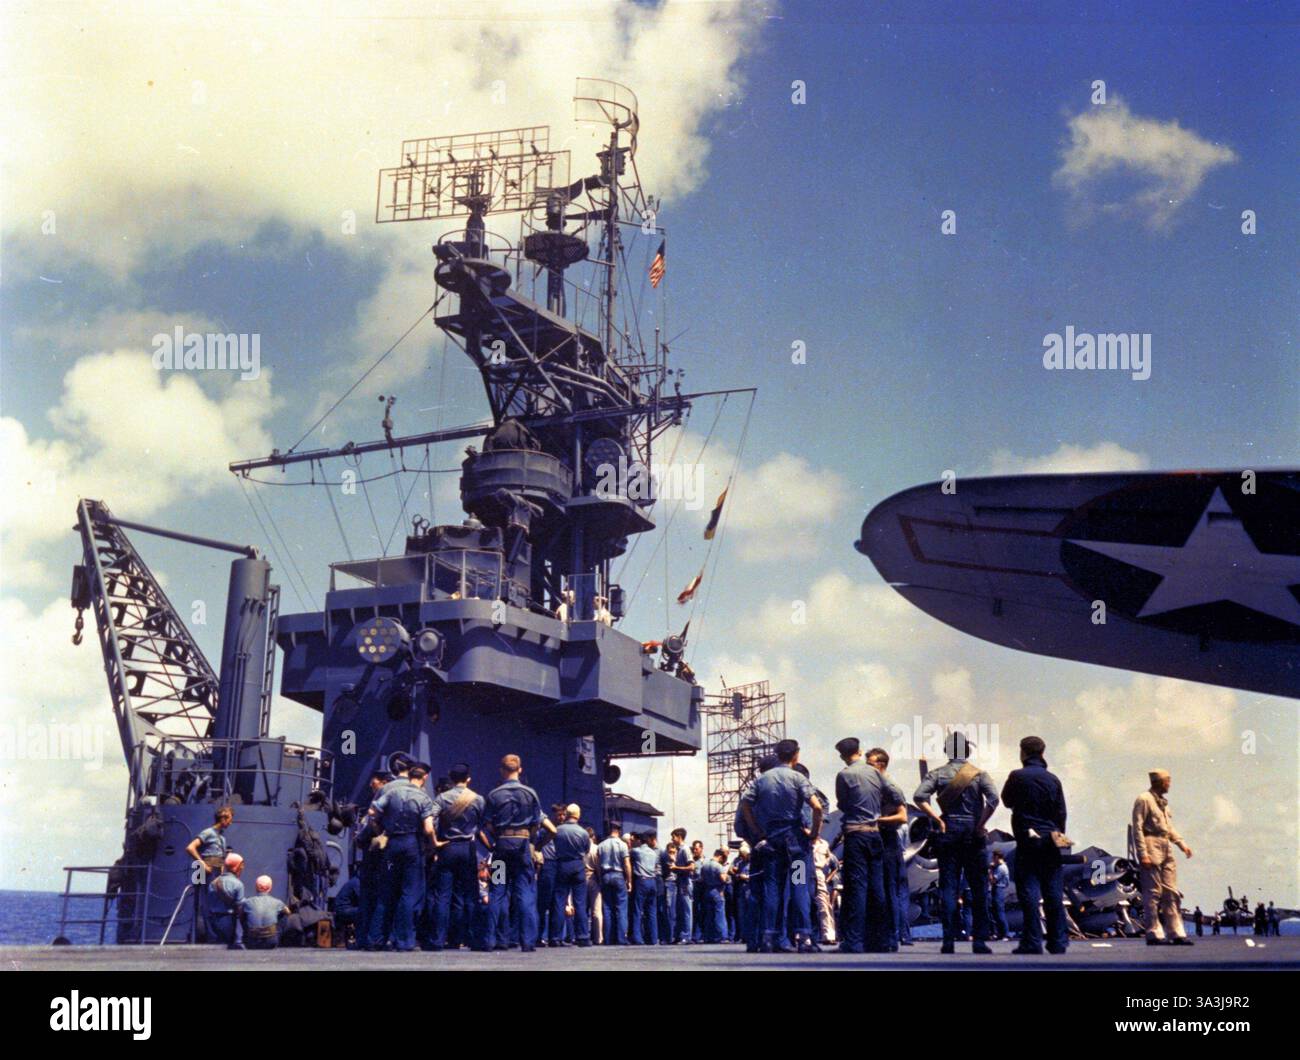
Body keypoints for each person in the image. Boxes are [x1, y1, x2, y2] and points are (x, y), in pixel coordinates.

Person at [914, 731, 999, 955]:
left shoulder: (938, 774)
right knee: (979, 888)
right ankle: (979, 941)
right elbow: (993, 799)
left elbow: (919, 796)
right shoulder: (980, 775)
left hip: (948, 831)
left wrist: (936, 818)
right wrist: (981, 824)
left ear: (946, 751)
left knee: (948, 887)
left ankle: (948, 941)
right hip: (973, 833)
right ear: (968, 751)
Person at [742, 738, 823, 954]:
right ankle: (804, 937)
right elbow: (816, 807)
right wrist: (814, 833)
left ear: (777, 755)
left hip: (772, 841)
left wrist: (758, 831)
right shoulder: (798, 778)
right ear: (796, 755)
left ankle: (769, 937)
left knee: (773, 888)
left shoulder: (762, 780)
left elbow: (746, 804)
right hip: (795, 842)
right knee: (799, 886)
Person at [1000, 736, 1069, 955]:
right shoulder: (1053, 779)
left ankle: (1032, 941)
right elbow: (1061, 813)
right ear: (1042, 752)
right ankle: (1058, 941)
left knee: (1029, 891)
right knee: (1053, 892)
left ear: (1023, 752)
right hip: (1050, 840)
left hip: (1027, 840)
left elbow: (1007, 801)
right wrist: (1058, 835)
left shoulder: (1017, 776)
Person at [480, 754, 551, 953]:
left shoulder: (494, 795)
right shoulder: (531, 794)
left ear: (502, 771)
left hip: (502, 848)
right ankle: (528, 942)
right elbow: (537, 823)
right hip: (522, 848)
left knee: (497, 892)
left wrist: (498, 839)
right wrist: (531, 840)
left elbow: (487, 824)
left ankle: (490, 940)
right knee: (525, 893)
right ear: (520, 770)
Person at [367, 761, 437, 952]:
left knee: (386, 892)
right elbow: (428, 828)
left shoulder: (392, 792)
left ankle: (375, 940)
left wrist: (379, 829)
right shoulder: (424, 798)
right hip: (412, 846)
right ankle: (404, 941)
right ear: (424, 778)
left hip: (392, 846)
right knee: (408, 893)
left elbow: (372, 812)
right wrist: (434, 844)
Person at [834, 737, 887, 954]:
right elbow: (888, 792)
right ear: (860, 750)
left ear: (842, 756)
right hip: (874, 833)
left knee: (857, 887)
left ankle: (854, 941)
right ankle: (882, 940)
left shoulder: (844, 775)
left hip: (855, 834)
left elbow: (843, 803)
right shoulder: (875, 772)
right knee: (877, 887)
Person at [1132, 769, 1193, 946]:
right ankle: (1154, 933)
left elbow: (1168, 827)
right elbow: (1137, 828)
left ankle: (1176, 932)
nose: (1169, 784)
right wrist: (1143, 853)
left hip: (1165, 845)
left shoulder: (1163, 803)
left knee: (1171, 892)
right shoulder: (1144, 799)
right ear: (1158, 782)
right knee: (1152, 893)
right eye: (1168, 781)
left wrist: (1182, 844)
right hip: (1151, 844)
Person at [428, 762, 485, 951]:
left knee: (443, 896)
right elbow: (484, 824)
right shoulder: (477, 799)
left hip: (447, 847)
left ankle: (438, 940)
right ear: (468, 779)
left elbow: (431, 822)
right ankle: (470, 939)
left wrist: (435, 842)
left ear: (451, 779)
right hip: (468, 848)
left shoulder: (441, 798)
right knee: (469, 896)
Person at [865, 747, 909, 951]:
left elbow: (902, 816)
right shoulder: (873, 785)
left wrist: (878, 820)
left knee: (889, 890)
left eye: (870, 764)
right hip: (877, 839)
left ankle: (891, 937)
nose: (866, 767)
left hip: (888, 842)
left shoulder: (889, 786)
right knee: (879, 888)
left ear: (880, 765)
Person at [551, 804, 592, 947]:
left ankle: (555, 937)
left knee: (559, 901)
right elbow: (586, 850)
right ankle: (583, 936)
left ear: (567, 814)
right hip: (577, 865)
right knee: (580, 902)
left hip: (562, 864)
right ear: (578, 815)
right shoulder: (583, 832)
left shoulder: (558, 830)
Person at [535, 803, 566, 947]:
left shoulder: (562, 831)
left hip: (558, 865)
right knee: (544, 902)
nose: (561, 817)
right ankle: (541, 936)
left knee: (558, 903)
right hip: (549, 865)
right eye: (559, 814)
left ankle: (554, 937)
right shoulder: (547, 830)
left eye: (563, 814)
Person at [597, 824, 632, 945]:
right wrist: (629, 881)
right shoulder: (622, 845)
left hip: (606, 875)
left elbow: (598, 864)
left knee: (607, 908)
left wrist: (600, 878)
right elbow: (627, 864)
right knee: (621, 908)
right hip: (618, 875)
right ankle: (621, 938)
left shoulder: (601, 845)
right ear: (618, 830)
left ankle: (608, 938)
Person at [205, 852, 245, 949]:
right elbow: (240, 909)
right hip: (229, 921)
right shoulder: (237, 884)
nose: (242, 868)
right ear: (236, 867)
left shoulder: (213, 883)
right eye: (241, 866)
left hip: (213, 922)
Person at [240, 875, 289, 950]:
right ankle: (278, 936)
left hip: (252, 941)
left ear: (256, 887)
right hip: (271, 941)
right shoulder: (277, 902)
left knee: (243, 914)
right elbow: (288, 912)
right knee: (283, 915)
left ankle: (247, 935)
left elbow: (240, 913)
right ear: (270, 888)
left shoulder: (247, 902)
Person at [630, 832, 660, 945]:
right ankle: (653, 938)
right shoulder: (653, 853)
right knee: (652, 911)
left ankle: (637, 938)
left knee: (637, 910)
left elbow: (628, 853)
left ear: (639, 841)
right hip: (652, 881)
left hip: (641, 881)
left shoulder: (636, 851)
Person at [669, 828, 694, 943]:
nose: (672, 839)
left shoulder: (685, 850)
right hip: (680, 882)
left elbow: (691, 867)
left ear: (679, 837)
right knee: (680, 910)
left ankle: (686, 936)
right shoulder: (679, 851)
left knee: (686, 910)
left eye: (673, 837)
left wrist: (676, 868)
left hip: (685, 883)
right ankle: (681, 934)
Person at [698, 850, 728, 942]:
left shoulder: (704, 865)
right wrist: (727, 877)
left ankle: (709, 936)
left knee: (709, 915)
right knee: (719, 914)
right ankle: (722, 936)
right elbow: (723, 879)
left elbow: (701, 879)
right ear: (719, 856)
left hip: (707, 890)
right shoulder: (718, 866)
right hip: (717, 891)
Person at [989, 852, 1011, 941]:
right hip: (997, 889)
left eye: (994, 858)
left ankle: (1006, 934)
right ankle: (1000, 933)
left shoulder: (1001, 868)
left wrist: (990, 870)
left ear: (997, 857)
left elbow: (993, 880)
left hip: (999, 889)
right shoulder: (999, 867)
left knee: (1000, 912)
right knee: (996, 912)